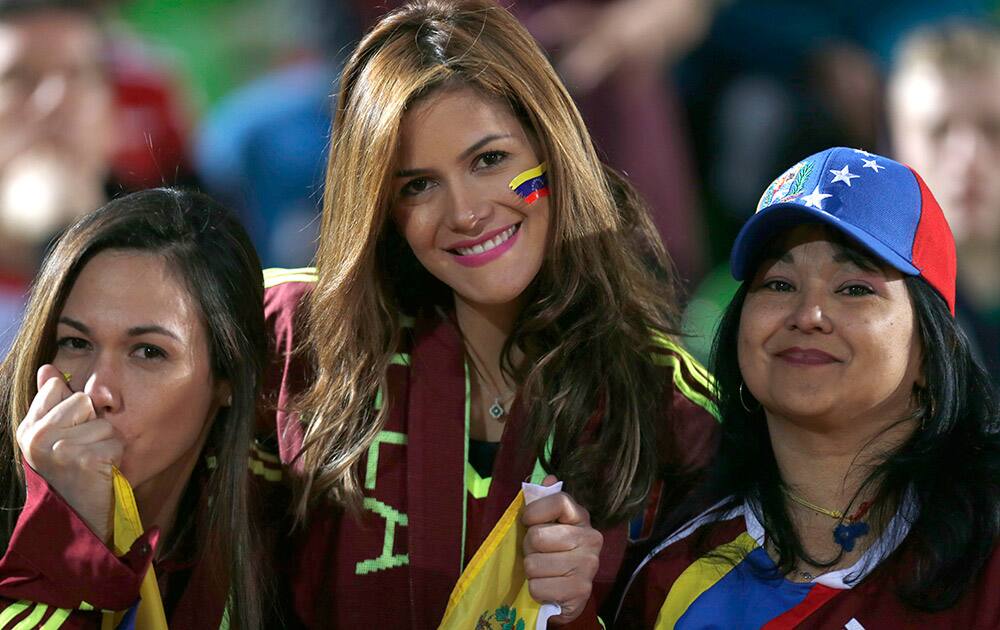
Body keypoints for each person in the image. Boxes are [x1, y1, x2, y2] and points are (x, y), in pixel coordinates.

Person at [261, 0, 719, 626]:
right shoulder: (293, 338)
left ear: (552, 149)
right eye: (417, 185)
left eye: (490, 160)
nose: (466, 213)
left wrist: (580, 612)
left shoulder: (673, 409)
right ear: (382, 209)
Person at [615, 147, 1000, 628]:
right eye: (778, 284)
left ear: (932, 348)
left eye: (854, 288)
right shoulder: (669, 576)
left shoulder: (989, 551)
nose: (808, 316)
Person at [0, 189, 278, 628]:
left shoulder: (288, 539)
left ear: (229, 379)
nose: (97, 390)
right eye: (76, 343)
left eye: (147, 352)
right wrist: (68, 536)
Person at [888, 21, 1000, 390]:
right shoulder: (859, 307)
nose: (967, 156)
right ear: (893, 145)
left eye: (994, 128)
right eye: (938, 131)